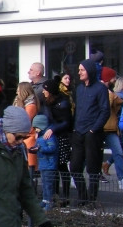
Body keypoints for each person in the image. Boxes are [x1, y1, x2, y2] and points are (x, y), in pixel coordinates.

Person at [69, 58, 109, 204]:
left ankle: (91, 200)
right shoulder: (79, 89)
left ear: (90, 71)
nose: (79, 72)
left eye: (82, 70)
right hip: (78, 132)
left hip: (92, 133)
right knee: (74, 166)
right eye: (79, 70)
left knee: (93, 168)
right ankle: (82, 196)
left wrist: (94, 129)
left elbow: (105, 111)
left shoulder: (100, 88)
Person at [41, 77, 74, 204]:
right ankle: (54, 194)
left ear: (50, 91)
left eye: (45, 90)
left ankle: (65, 196)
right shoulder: (48, 102)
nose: (43, 92)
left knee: (62, 166)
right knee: (53, 167)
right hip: (53, 136)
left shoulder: (63, 103)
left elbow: (66, 122)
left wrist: (53, 129)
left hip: (61, 137)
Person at [29, 115, 58, 210]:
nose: (35, 130)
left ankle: (49, 202)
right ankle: (45, 200)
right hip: (42, 164)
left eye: (36, 127)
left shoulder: (48, 137)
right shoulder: (40, 136)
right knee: (44, 184)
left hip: (49, 165)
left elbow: (52, 148)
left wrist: (40, 148)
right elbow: (38, 146)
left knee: (48, 184)